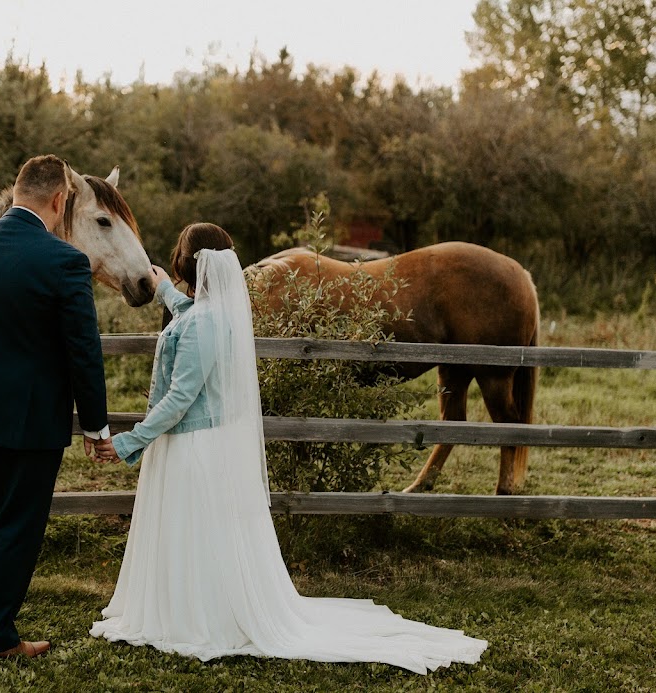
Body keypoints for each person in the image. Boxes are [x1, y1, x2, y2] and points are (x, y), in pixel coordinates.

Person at [89, 223, 488, 674]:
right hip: (201, 443)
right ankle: (201, 605)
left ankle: (198, 615)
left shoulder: (204, 321)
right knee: (203, 532)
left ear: (190, 264)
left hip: (194, 447)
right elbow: (191, 320)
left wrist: (130, 440)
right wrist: (165, 293)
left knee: (194, 529)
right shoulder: (214, 313)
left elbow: (180, 400)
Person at [0, 154, 115, 662]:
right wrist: (96, 425)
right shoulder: (65, 261)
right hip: (31, 420)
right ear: (60, 200)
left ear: (16, 191)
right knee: (16, 525)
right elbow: (84, 350)